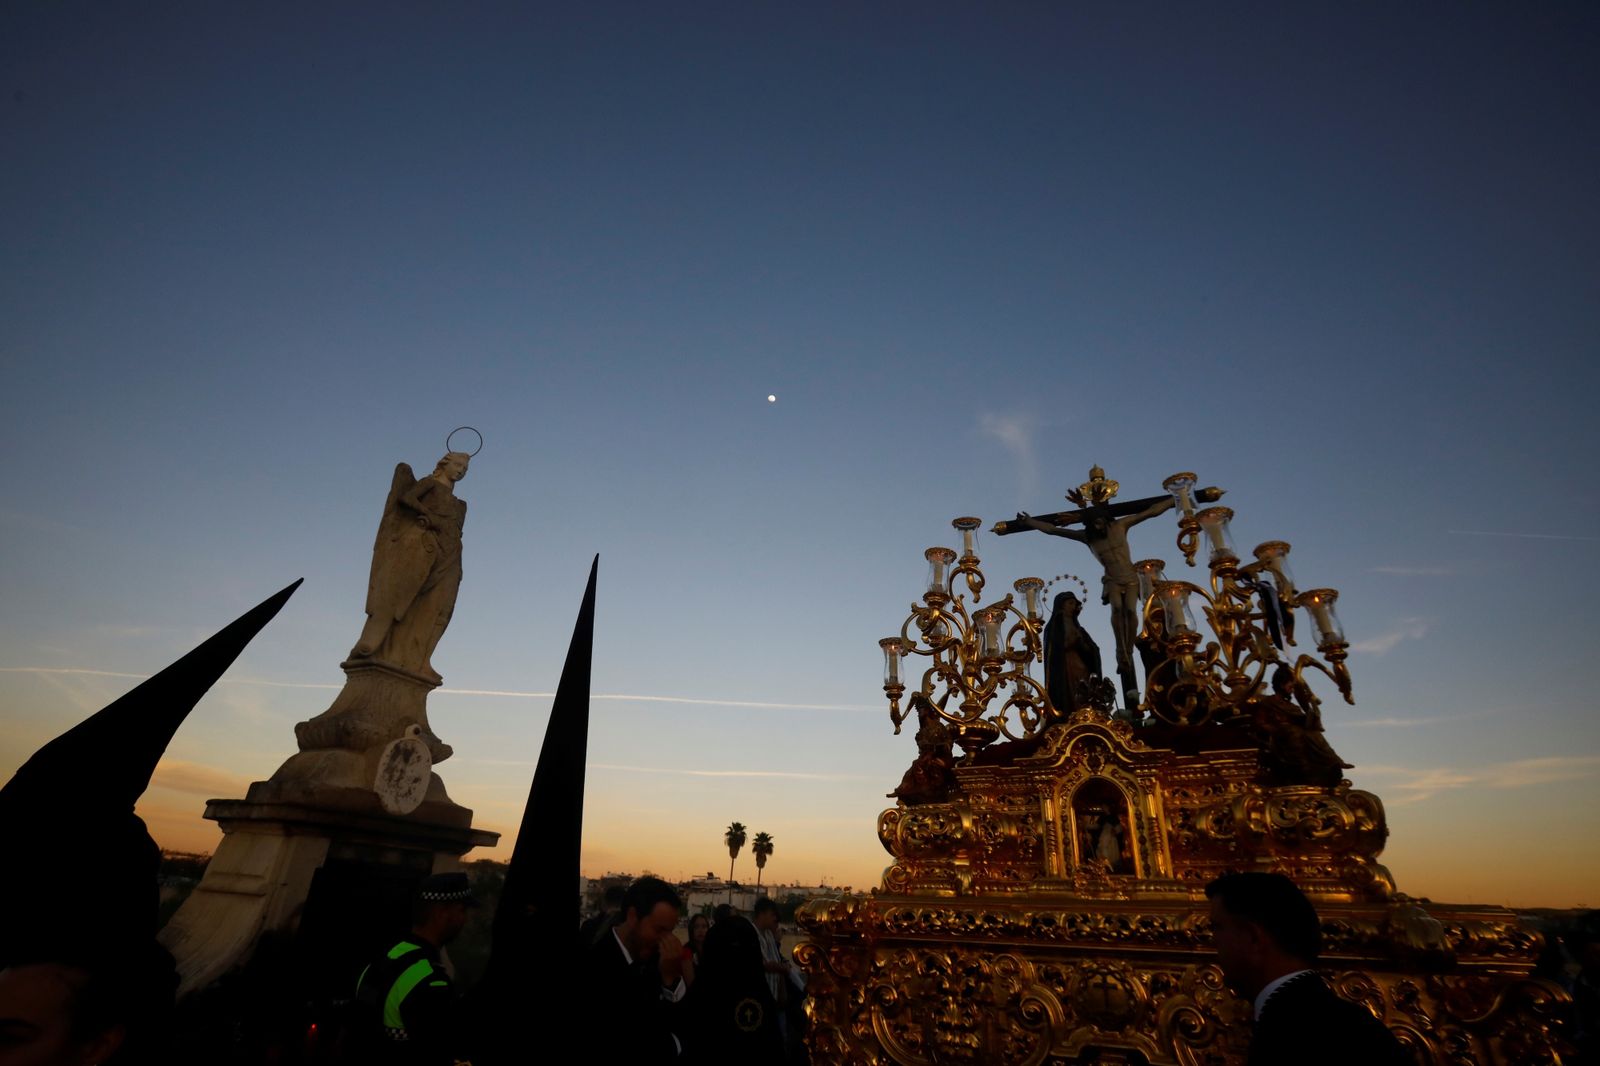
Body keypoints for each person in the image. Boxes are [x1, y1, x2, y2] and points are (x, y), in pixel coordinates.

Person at [1205, 873, 1410, 1066]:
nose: (1213, 942)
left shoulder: (1289, 1035)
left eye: (1216, 928)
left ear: (1253, 938)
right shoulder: (1346, 1023)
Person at [1017, 493, 1173, 712]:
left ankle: (1126, 650)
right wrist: (1029, 521)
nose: (1098, 525)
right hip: (1112, 581)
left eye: (1100, 521)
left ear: (1105, 519)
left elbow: (1149, 512)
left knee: (1130, 612)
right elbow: (1054, 530)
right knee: (1118, 609)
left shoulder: (1120, 526)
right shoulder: (1087, 538)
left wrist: (1175, 499)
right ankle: (1122, 654)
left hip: (1129, 578)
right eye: (1094, 523)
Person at [351, 451, 471, 680]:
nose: (461, 471)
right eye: (457, 465)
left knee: (442, 607)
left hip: (451, 556)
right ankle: (380, 645)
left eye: (465, 469)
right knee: (402, 596)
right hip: (424, 547)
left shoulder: (460, 505)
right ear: (444, 464)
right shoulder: (429, 484)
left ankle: (421, 659)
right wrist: (428, 515)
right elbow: (405, 499)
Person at [351, 872, 475, 1065]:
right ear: (441, 913)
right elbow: (437, 1052)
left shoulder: (386, 955)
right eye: (461, 910)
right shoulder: (431, 980)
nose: (464, 919)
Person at [580, 876, 689, 1060]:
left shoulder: (657, 960)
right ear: (632, 916)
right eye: (659, 930)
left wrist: (671, 981)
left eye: (669, 932)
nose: (666, 940)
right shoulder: (595, 968)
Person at [1043, 591, 1103, 718]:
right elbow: (1056, 649)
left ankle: (1085, 713)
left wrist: (1086, 647)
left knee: (1085, 686)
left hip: (1079, 663)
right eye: (1070, 603)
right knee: (1071, 690)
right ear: (1061, 605)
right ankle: (1071, 713)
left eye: (1074, 604)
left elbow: (1090, 649)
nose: (1072, 606)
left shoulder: (1077, 626)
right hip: (1066, 664)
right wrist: (1072, 642)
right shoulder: (1056, 625)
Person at [681, 913, 711, 987]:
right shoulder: (686, 951)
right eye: (696, 927)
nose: (700, 930)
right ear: (691, 929)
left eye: (704, 927)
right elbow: (691, 985)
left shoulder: (710, 949)